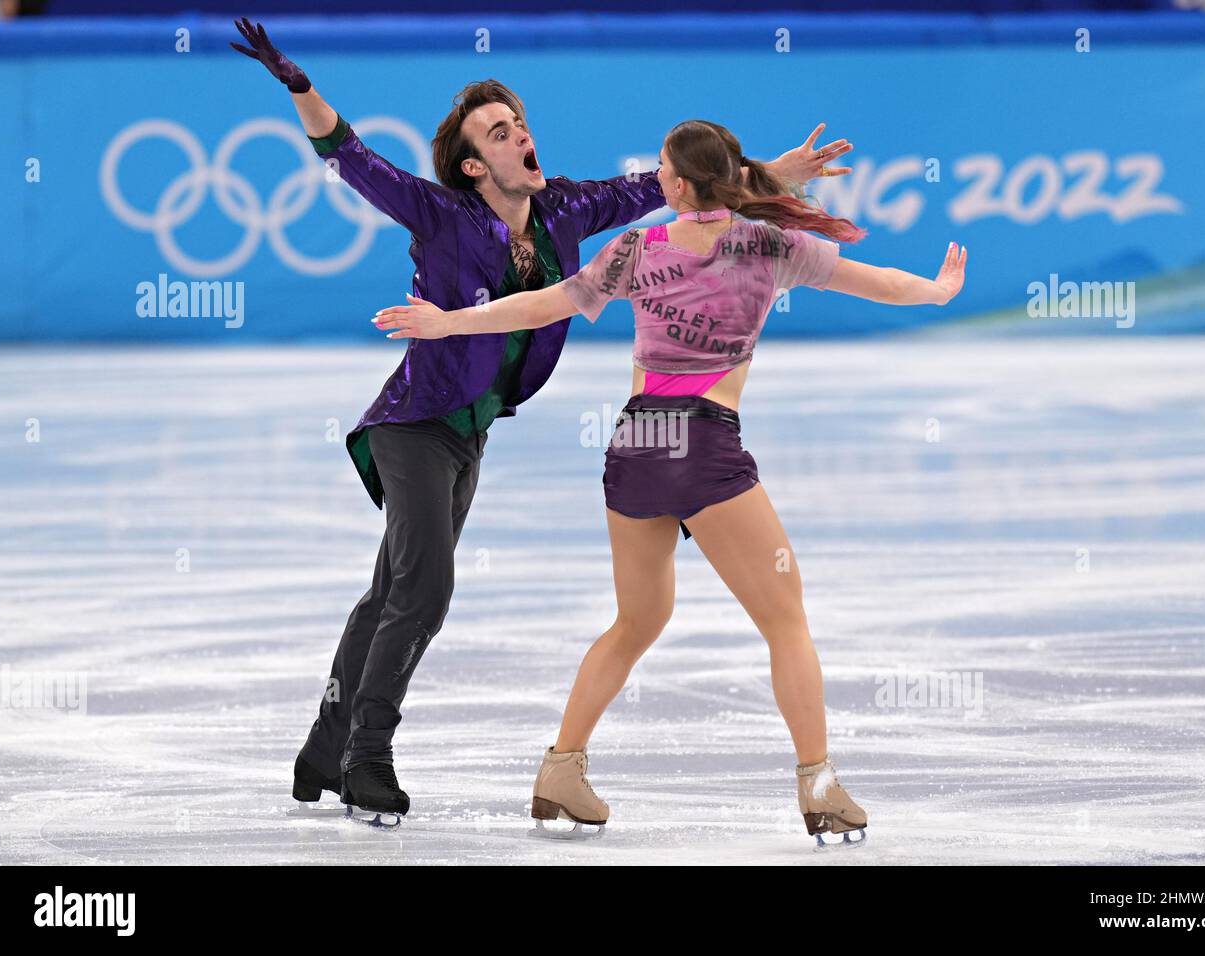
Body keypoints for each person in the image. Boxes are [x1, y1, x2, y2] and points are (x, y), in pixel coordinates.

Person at [229, 18, 856, 826]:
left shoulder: (562, 210)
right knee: (424, 587)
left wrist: (766, 172)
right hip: (411, 422)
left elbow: (672, 190)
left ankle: (326, 738)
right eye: (498, 131)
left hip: (468, 433)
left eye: (518, 122)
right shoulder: (438, 213)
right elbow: (351, 159)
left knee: (392, 585)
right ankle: (366, 757)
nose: (519, 134)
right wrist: (300, 88)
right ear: (471, 164)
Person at [374, 119, 967, 847]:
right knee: (785, 620)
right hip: (703, 445)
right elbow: (874, 282)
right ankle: (819, 786)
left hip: (636, 446)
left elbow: (540, 305)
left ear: (680, 187)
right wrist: (937, 292)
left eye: (659, 167)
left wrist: (449, 323)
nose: (651, 175)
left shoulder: (637, 248)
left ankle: (560, 772)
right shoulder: (768, 245)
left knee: (637, 621)